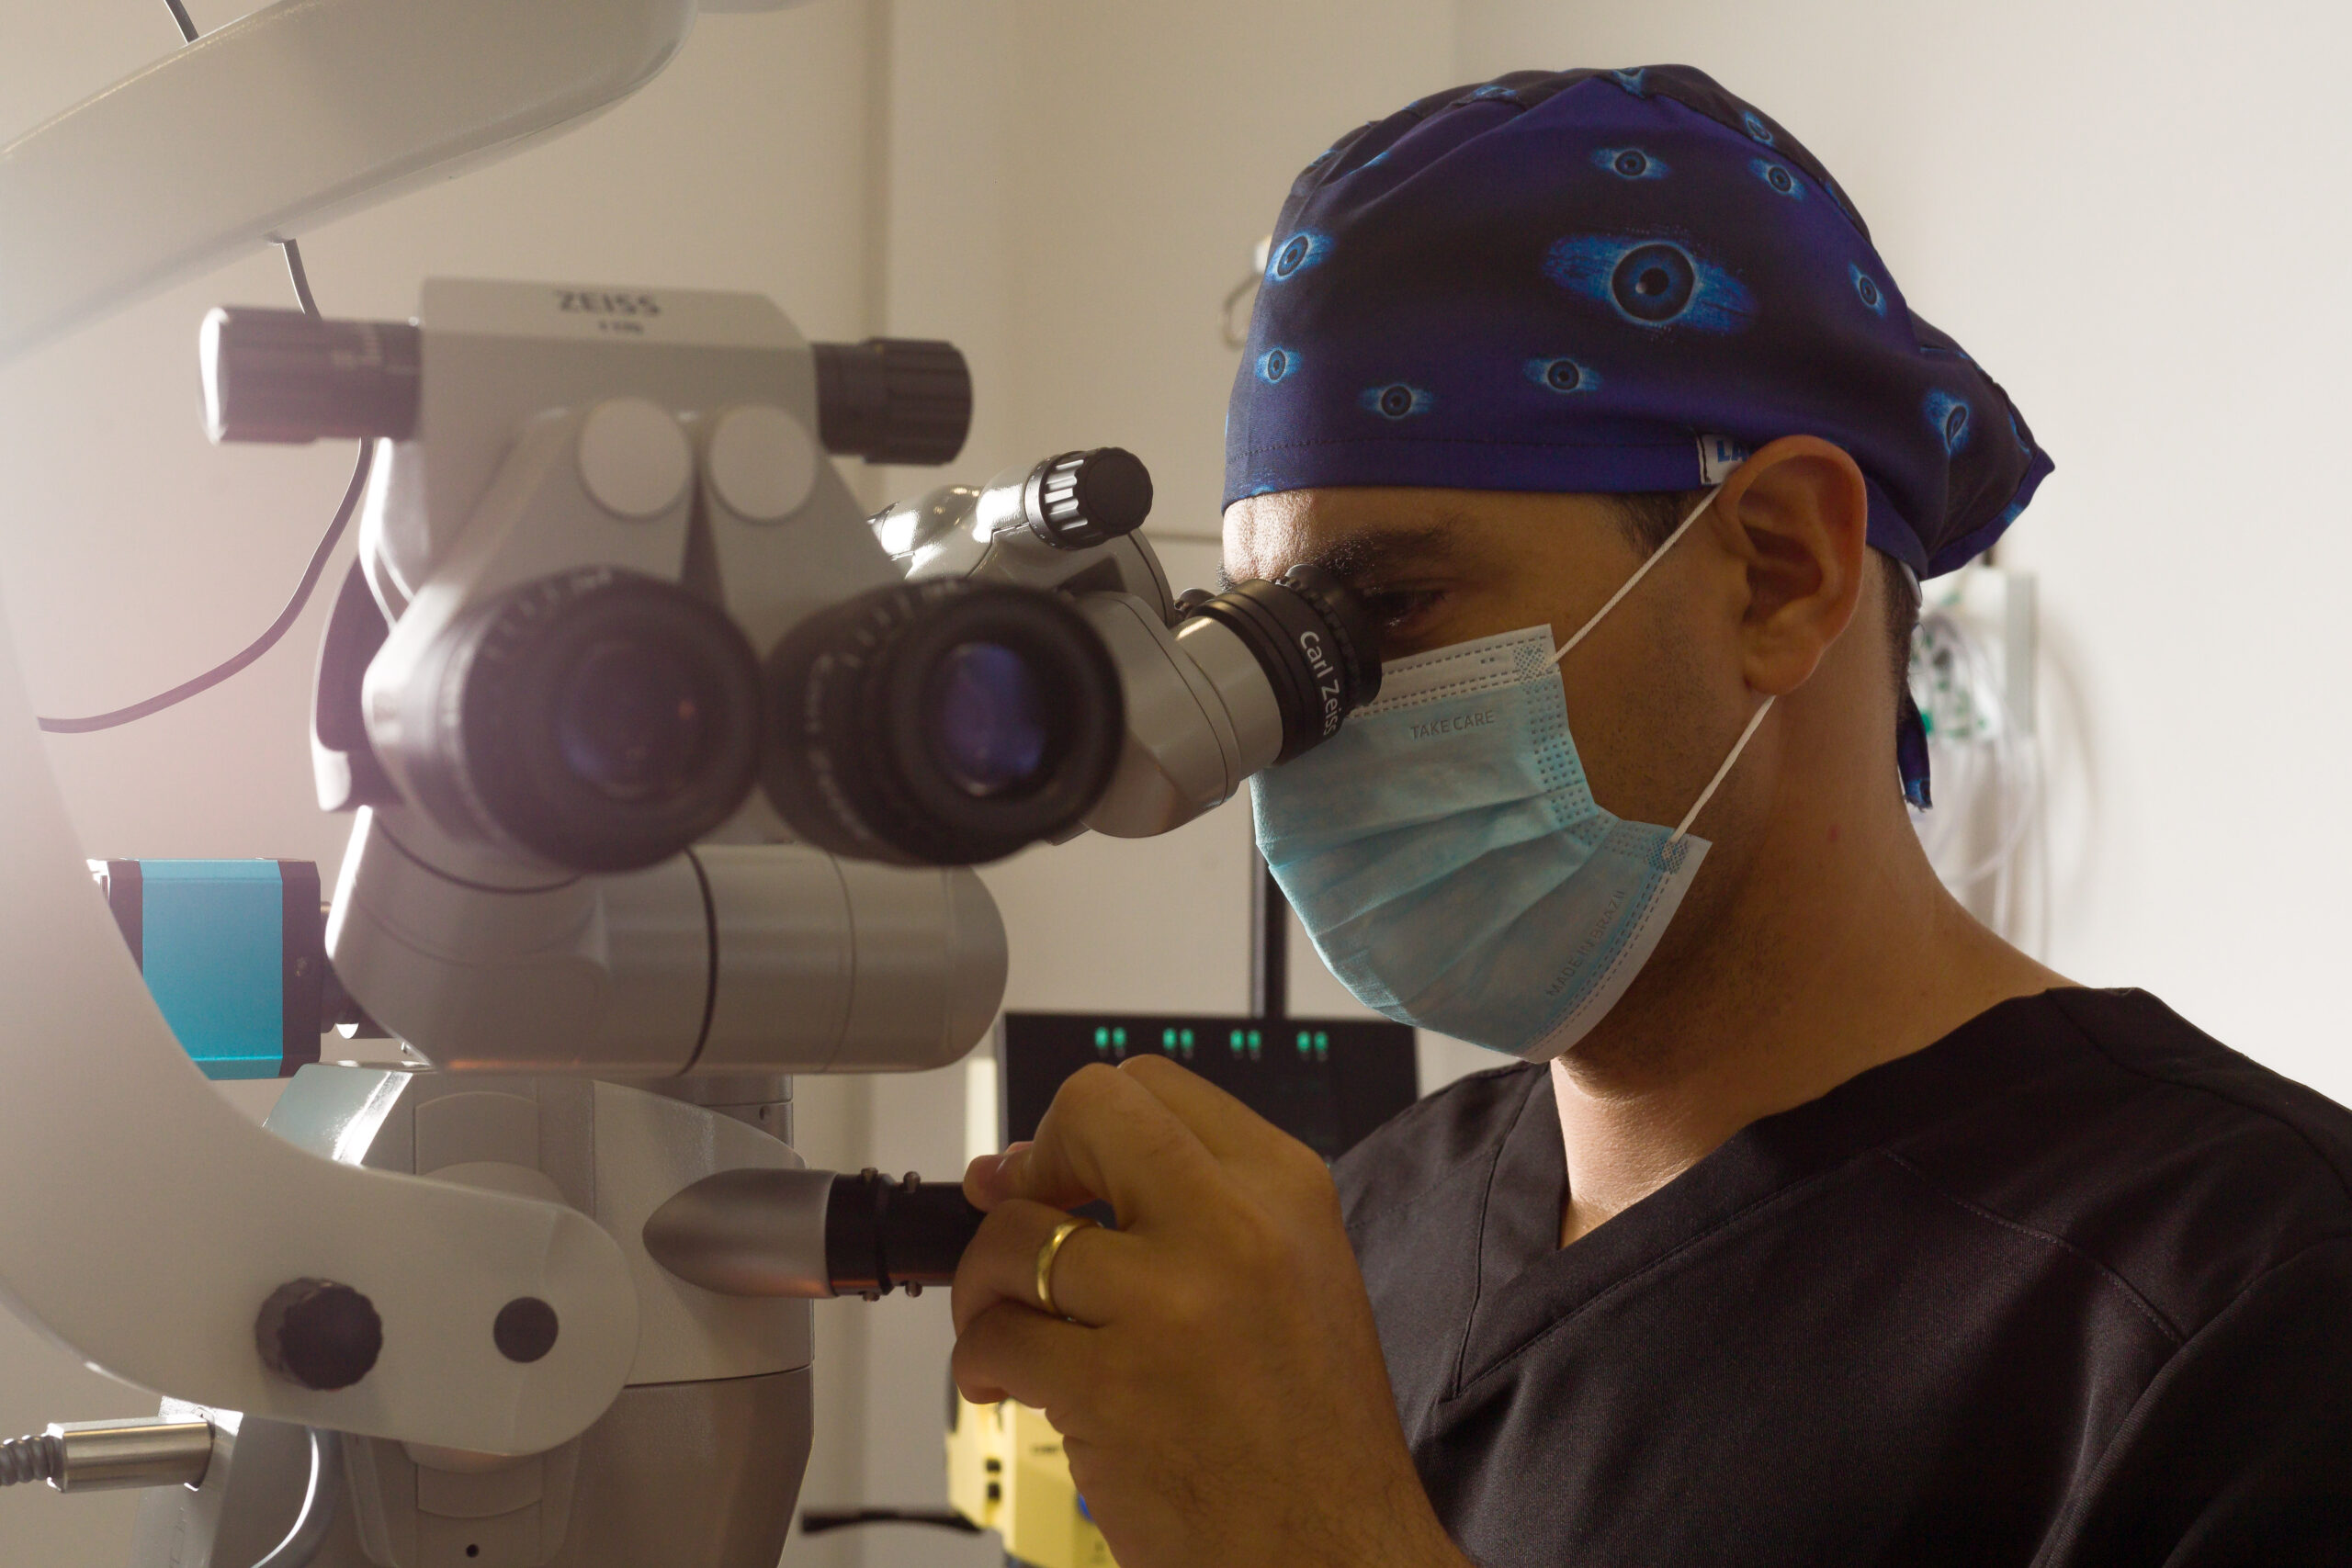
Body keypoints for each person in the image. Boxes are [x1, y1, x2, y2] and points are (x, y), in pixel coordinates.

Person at [948, 65, 2352, 1566]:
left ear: (1781, 569)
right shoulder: (1365, 1226)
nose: (1311, 730)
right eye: (1265, 639)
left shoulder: (2249, 1306)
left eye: (1392, 606)